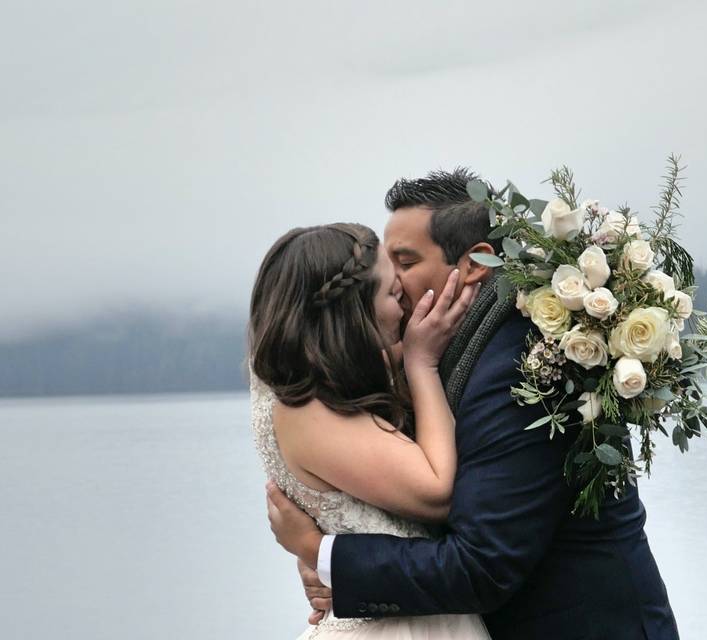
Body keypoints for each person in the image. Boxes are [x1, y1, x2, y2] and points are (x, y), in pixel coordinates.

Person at [266, 170, 680, 639]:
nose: (391, 283)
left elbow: (482, 565)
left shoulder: (524, 372)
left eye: (404, 261)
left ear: (475, 264)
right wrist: (335, 567)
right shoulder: (439, 351)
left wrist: (327, 555)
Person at [249, 221, 488, 638]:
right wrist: (421, 363)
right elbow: (436, 491)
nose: (406, 308)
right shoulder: (305, 409)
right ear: (354, 316)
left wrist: (319, 555)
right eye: (394, 295)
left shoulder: (319, 380)